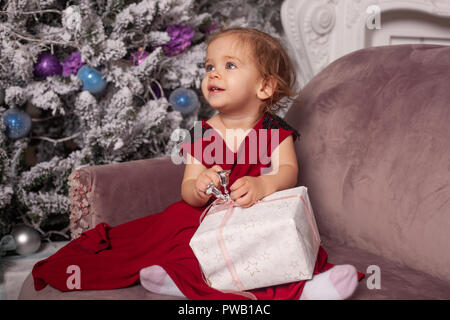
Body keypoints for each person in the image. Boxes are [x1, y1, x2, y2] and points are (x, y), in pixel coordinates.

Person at [32, 27, 363, 300]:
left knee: (272, 244)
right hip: (203, 216)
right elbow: (187, 189)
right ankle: (177, 280)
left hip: (251, 211)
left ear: (264, 86)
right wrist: (200, 186)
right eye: (209, 67)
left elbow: (288, 172)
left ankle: (308, 288)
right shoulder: (202, 134)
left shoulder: (273, 130)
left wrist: (264, 184)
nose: (214, 73)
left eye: (230, 66)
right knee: (183, 244)